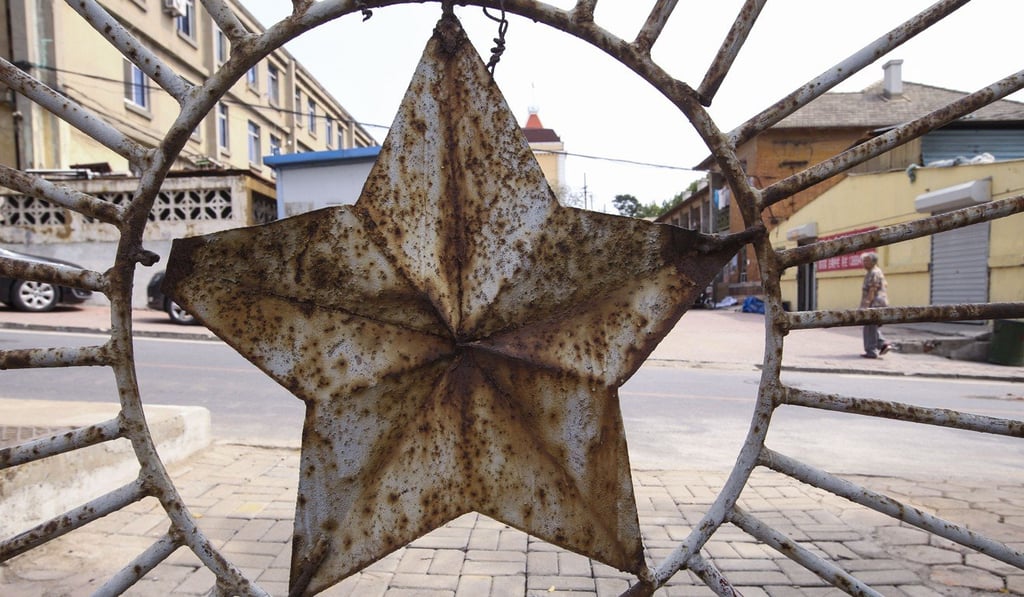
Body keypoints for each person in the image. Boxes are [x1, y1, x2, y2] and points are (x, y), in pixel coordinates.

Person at [859, 252, 892, 358]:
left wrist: (866, 305)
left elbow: (872, 289)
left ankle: (871, 351)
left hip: (876, 303)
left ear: (874, 262)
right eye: (864, 260)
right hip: (877, 302)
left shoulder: (874, 272)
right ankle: (883, 344)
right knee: (871, 326)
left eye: (867, 261)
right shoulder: (872, 272)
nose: (864, 263)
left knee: (869, 327)